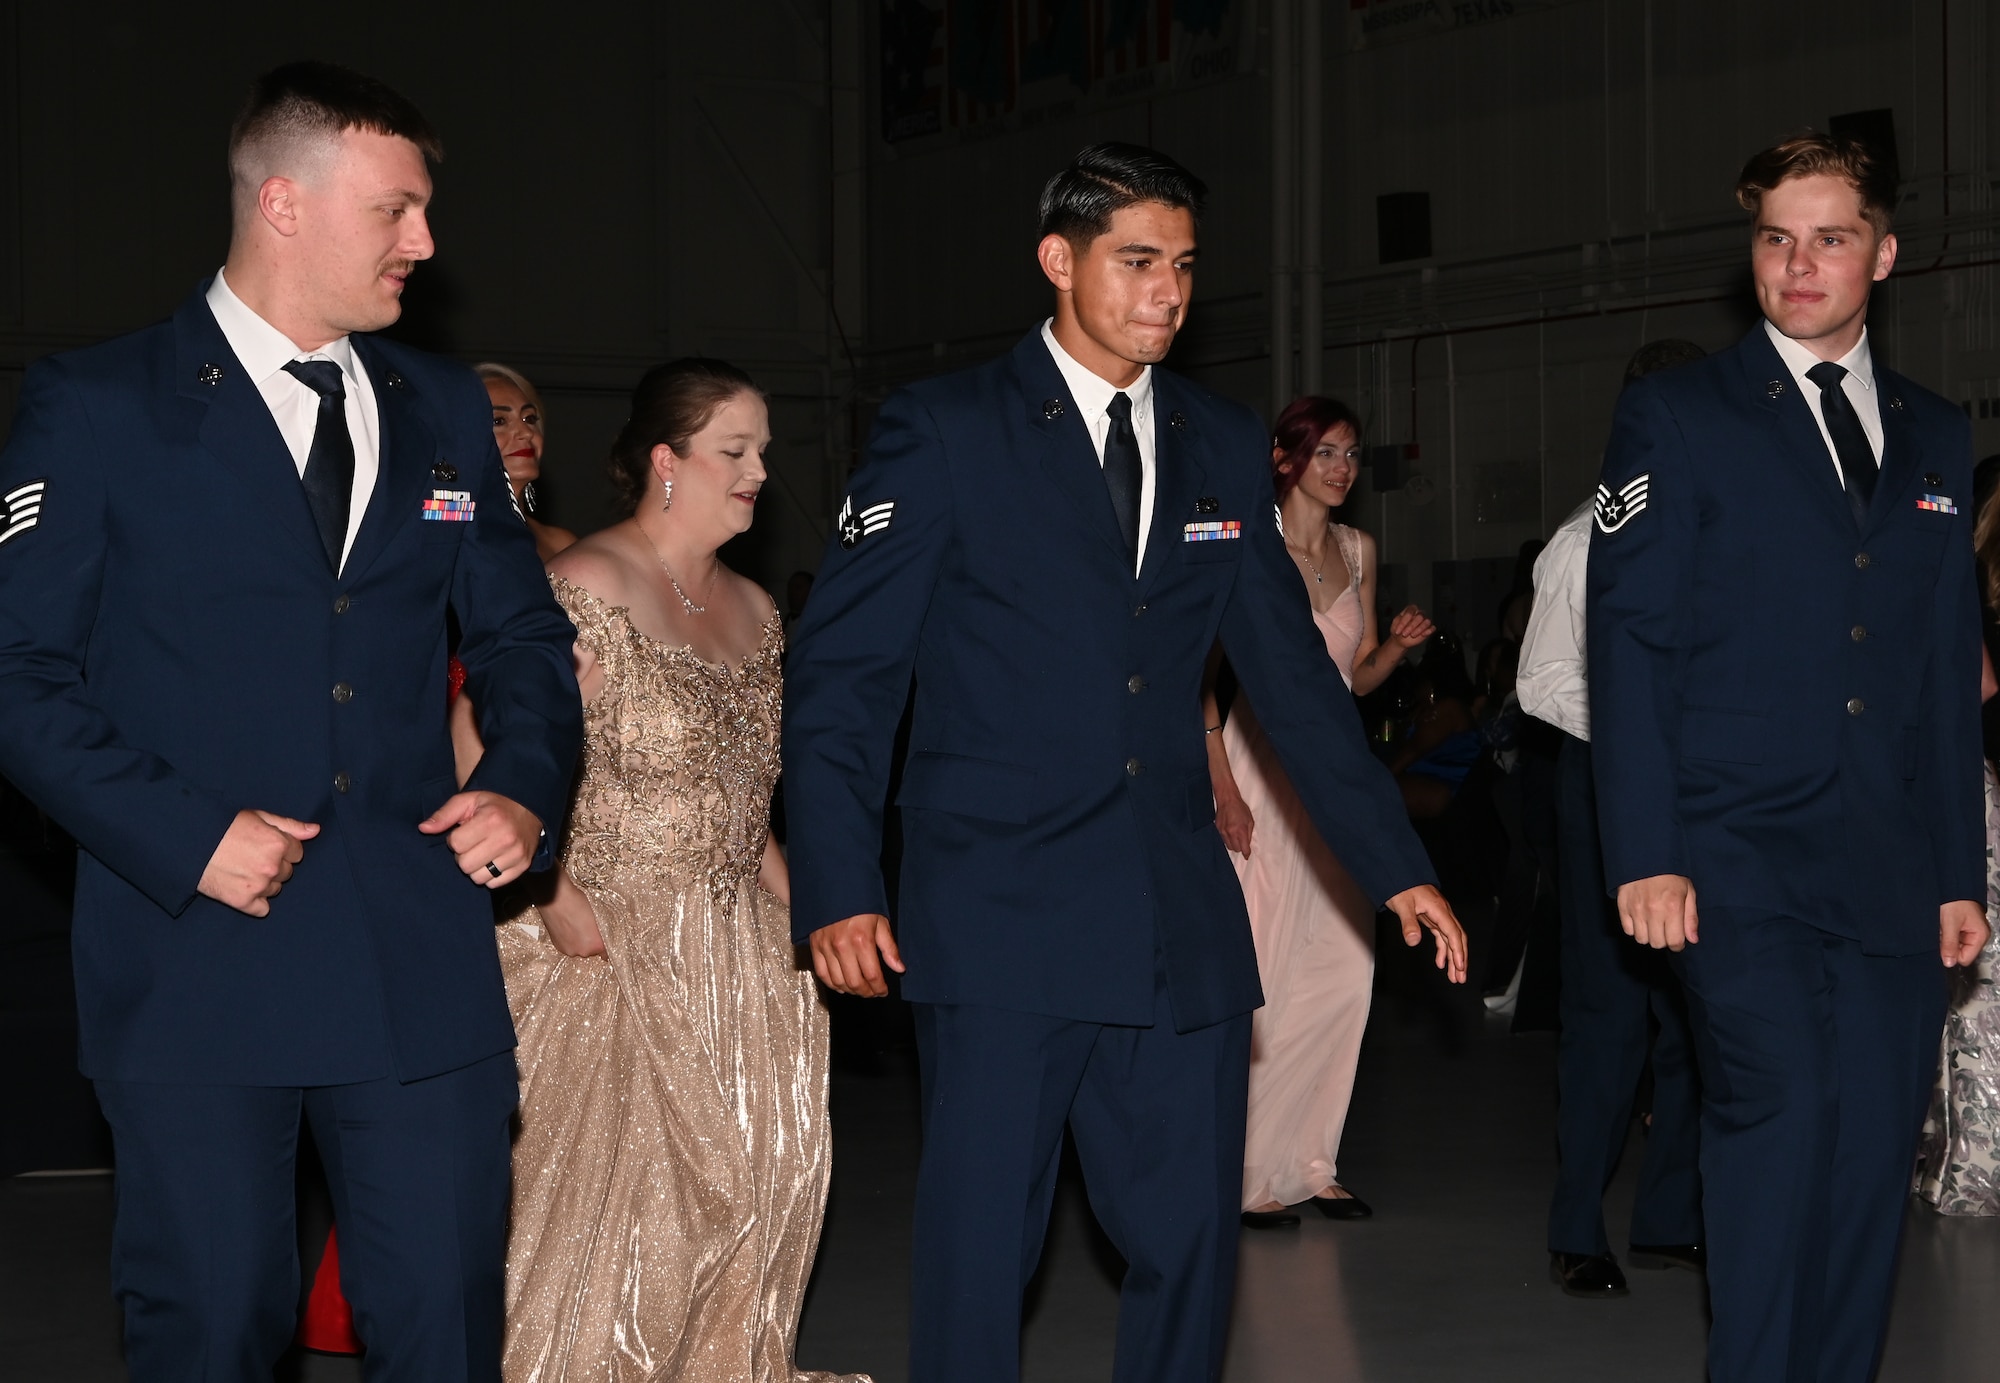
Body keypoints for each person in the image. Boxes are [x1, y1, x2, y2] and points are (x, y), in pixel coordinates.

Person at [782, 143, 1468, 1383]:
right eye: (1137, 262)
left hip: (1173, 916)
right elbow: (845, 678)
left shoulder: (1215, 441)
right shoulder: (943, 431)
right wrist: (837, 881)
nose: (1167, 293)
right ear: (1059, 260)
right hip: (997, 912)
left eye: (1185, 267)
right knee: (981, 1247)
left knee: (1190, 1239)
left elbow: (1292, 685)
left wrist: (1393, 866)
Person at [0, 62, 582, 1382]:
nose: (425, 243)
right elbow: (17, 669)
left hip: (417, 952)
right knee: (211, 1326)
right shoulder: (101, 406)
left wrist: (527, 782)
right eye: (397, 211)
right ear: (283, 203)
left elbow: (521, 632)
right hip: (198, 951)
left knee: (444, 1324)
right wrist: (185, 830)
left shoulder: (439, 408)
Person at [1589, 132, 1989, 1382]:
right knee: (1776, 1120)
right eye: (1773, 237)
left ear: (1880, 252)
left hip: (1883, 862)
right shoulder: (1677, 413)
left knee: (1872, 1146)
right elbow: (1630, 644)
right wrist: (1645, 851)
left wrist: (1955, 872)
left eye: (1825, 238)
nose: (1796, 262)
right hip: (1730, 854)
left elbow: (1936, 670)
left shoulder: (1933, 430)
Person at [493, 359, 864, 1383]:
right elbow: (475, 749)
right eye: (733, 452)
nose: (757, 474)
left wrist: (823, 921)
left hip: (743, 964)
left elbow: (748, 811)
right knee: (625, 1234)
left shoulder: (754, 608)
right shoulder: (583, 586)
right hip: (609, 955)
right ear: (667, 461)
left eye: (760, 453)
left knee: (763, 1193)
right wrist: (552, 895)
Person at [1199, 394, 1434, 1229]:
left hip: (1335, 773)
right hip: (1261, 768)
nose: (1343, 468)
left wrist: (1397, 651)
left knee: (1343, 974)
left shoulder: (1360, 549)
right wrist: (1223, 786)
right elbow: (1201, 683)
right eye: (1327, 452)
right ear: (1285, 458)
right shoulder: (1243, 544)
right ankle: (1244, 1171)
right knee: (1262, 973)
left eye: (1352, 454)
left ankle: (1311, 1159)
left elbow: (1355, 678)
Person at [1519, 338, 1709, 1298]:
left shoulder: (1717, 529)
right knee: (1609, 1017)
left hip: (1701, 793)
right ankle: (1576, 1224)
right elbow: (1541, 679)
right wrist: (1643, 728)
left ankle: (1670, 1214)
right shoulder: (1582, 540)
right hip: (1602, 780)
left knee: (1696, 1014)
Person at [1913, 485, 2000, 1216]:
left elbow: (1978, 685)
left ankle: (1966, 1163)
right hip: (1964, 780)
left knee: (1969, 991)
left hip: (1956, 778)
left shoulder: (1950, 564)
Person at [479, 361, 578, 562]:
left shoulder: (561, 544)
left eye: (529, 419)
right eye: (499, 421)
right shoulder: (449, 537)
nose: (525, 433)